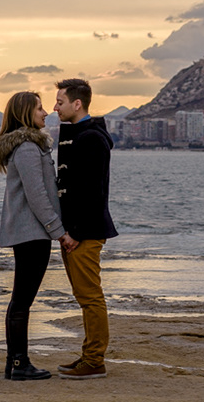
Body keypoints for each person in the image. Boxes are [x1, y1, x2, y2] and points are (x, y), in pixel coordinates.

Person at [0, 91, 80, 381]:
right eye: (40, 109)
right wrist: (60, 232)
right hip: (32, 233)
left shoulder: (29, 145)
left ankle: (15, 363)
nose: (46, 113)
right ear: (25, 114)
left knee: (20, 300)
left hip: (30, 232)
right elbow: (38, 196)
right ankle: (19, 364)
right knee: (21, 300)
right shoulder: (28, 147)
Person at [53, 77, 118, 380]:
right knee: (84, 296)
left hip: (85, 233)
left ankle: (94, 360)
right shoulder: (78, 133)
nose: (55, 107)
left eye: (60, 102)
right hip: (77, 232)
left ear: (77, 104)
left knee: (90, 297)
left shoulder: (90, 138)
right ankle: (89, 356)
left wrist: (75, 233)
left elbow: (92, 192)